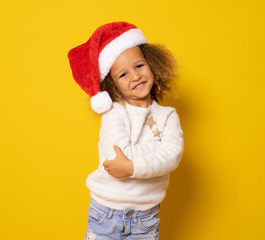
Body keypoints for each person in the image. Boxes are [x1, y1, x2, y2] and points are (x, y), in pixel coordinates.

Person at [68, 21, 184, 240]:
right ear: (112, 85)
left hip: (145, 219)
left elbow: (171, 156)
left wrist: (131, 166)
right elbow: (115, 157)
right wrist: (154, 152)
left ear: (152, 64)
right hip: (105, 214)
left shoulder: (168, 116)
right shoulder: (113, 112)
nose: (135, 76)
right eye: (123, 75)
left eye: (139, 66)